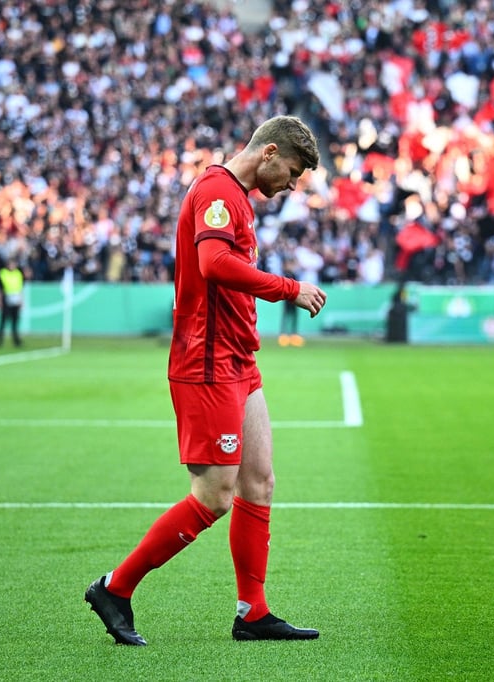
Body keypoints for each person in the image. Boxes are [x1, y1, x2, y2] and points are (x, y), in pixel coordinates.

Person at [84, 115, 328, 646]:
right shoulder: (217, 190)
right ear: (267, 153)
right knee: (214, 496)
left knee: (259, 482)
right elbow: (214, 263)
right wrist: (289, 288)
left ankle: (254, 612)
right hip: (207, 361)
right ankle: (115, 588)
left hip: (241, 359)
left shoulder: (238, 196)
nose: (291, 185)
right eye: (290, 172)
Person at [0, 256, 24, 348]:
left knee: (15, 322)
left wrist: (21, 301)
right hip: (6, 299)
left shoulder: (18, 274)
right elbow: (0, 289)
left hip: (15, 300)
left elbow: (20, 289)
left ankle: (16, 341)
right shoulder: (3, 273)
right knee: (3, 321)